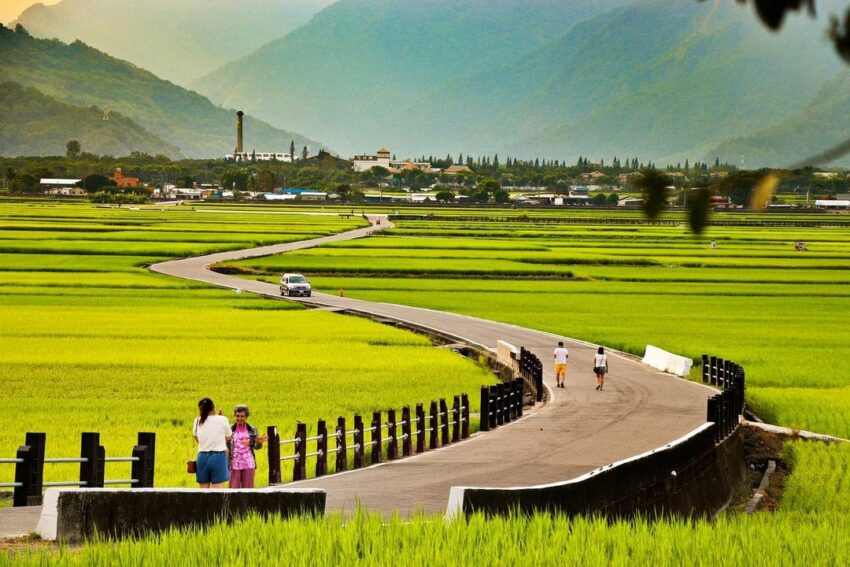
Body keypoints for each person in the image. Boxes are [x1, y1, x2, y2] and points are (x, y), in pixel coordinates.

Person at [192, 398, 232, 488]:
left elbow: (197, 438)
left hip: (202, 457)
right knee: (217, 492)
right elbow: (229, 436)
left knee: (203, 491)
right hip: (218, 457)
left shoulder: (197, 421)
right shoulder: (223, 419)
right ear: (213, 408)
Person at [228, 405, 268, 489]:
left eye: (242, 416)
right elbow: (225, 444)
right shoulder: (230, 429)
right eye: (237, 416)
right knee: (233, 490)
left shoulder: (252, 429)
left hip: (248, 463)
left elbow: (257, 447)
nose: (239, 418)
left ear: (246, 417)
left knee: (248, 491)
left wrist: (257, 441)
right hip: (234, 464)